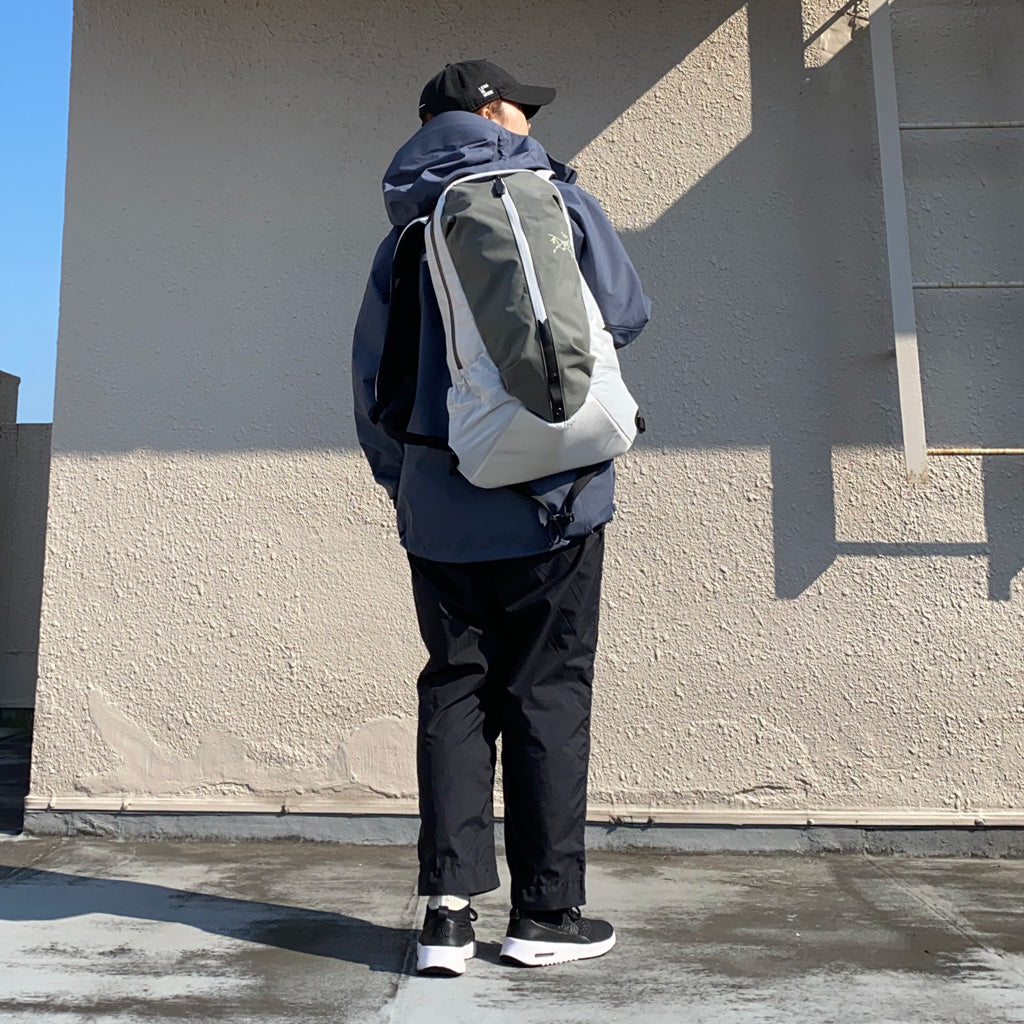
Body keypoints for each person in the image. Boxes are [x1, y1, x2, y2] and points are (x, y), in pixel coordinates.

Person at [352, 59, 650, 975]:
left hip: (442, 509)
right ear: (490, 111)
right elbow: (628, 314)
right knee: (546, 692)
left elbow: (374, 383)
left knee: (455, 689)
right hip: (555, 504)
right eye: (521, 107)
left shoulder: (406, 238)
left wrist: (404, 484)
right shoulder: (557, 199)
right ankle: (545, 916)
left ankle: (446, 919)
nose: (529, 119)